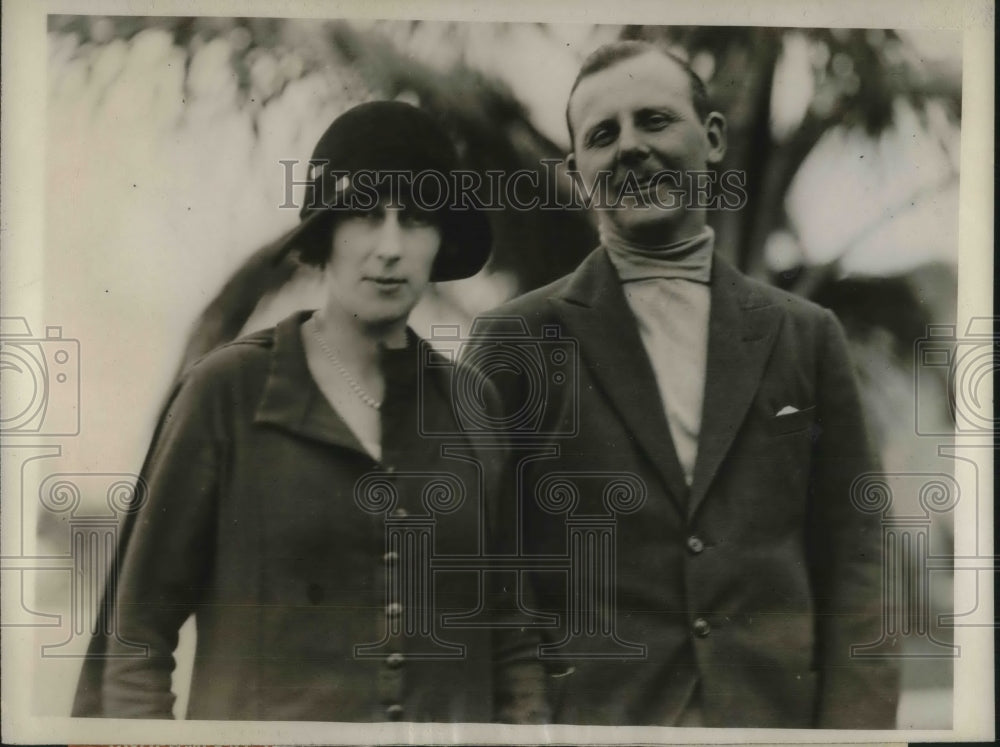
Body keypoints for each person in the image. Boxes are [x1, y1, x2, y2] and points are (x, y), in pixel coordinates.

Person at [469, 41, 899, 728]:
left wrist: (855, 734)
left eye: (655, 120)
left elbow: (859, 557)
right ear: (577, 173)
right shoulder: (515, 341)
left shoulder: (806, 335)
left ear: (714, 137)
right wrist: (528, 722)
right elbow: (487, 565)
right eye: (603, 135)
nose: (631, 147)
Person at [72, 101, 547, 723]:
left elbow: (512, 642)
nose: (390, 248)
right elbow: (133, 641)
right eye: (364, 215)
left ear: (442, 241)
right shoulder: (228, 392)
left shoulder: (471, 404)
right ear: (324, 235)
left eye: (416, 219)